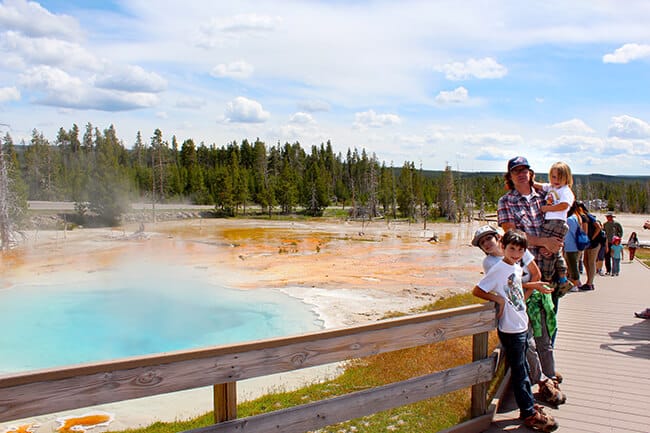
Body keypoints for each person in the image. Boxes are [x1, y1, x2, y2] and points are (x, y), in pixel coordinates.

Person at [471, 229, 558, 431]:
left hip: (520, 322)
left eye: (520, 250)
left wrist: (534, 285)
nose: (516, 253)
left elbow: (515, 286)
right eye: (512, 249)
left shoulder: (516, 266)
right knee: (520, 372)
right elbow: (478, 290)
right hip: (510, 327)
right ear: (503, 247)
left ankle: (528, 406)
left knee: (523, 369)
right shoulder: (498, 268)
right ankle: (528, 413)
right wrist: (498, 299)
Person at [498, 156, 567, 312]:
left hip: (551, 264)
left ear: (530, 173)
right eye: (515, 171)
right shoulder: (506, 201)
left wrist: (554, 244)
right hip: (527, 272)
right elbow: (512, 235)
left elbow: (560, 221)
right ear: (510, 176)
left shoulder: (546, 197)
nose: (521, 174)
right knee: (526, 318)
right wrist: (544, 242)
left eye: (524, 170)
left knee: (550, 319)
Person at [533, 162, 575, 290]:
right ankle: (562, 278)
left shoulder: (565, 191)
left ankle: (548, 278)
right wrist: (531, 180)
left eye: (559, 177)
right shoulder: (552, 187)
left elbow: (564, 205)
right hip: (551, 222)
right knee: (553, 250)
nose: (556, 180)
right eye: (553, 177)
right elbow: (540, 186)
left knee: (546, 250)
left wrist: (547, 209)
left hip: (556, 222)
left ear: (567, 178)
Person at [577, 202, 602, 290]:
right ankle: (589, 281)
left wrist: (591, 238)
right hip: (589, 243)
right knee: (585, 261)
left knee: (591, 262)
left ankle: (590, 283)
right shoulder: (581, 217)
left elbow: (598, 227)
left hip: (595, 243)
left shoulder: (588, 216)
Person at [563, 202, 584, 289]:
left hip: (571, 246)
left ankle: (575, 283)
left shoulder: (570, 220)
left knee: (573, 266)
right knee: (572, 265)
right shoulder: (575, 218)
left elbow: (572, 233)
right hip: (572, 245)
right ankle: (575, 282)